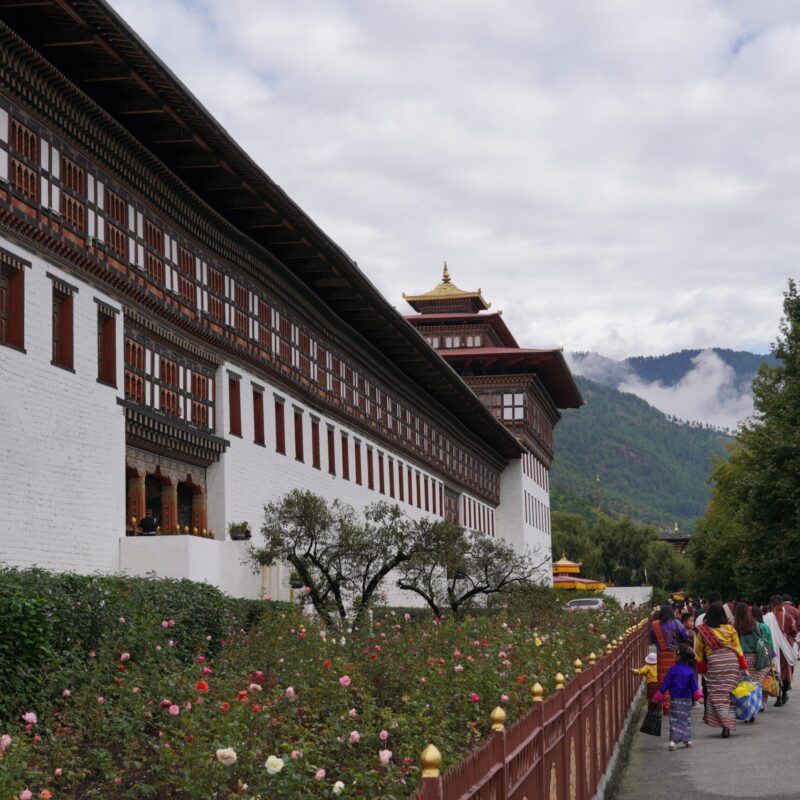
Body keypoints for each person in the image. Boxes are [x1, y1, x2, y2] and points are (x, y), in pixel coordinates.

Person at [695, 601, 747, 737]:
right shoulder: (730, 629)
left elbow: (698, 653)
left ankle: (724, 723)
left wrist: (701, 668)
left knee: (717, 695)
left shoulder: (702, 630)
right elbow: (738, 648)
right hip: (732, 663)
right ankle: (728, 724)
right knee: (729, 694)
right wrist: (743, 666)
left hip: (715, 664)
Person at [653, 644, 703, 751]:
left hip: (675, 700)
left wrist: (657, 697)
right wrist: (699, 697)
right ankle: (688, 740)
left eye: (674, 654)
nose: (673, 656)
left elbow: (664, 685)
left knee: (674, 720)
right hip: (687, 700)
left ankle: (673, 742)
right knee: (686, 718)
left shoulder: (672, 670)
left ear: (678, 657)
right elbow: (694, 686)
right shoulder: (690, 671)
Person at [734, 603, 773, 714]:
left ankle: (745, 708)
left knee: (744, 685)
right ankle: (756, 706)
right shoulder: (758, 625)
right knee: (756, 684)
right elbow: (767, 643)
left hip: (741, 659)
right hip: (758, 658)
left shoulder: (735, 627)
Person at [650, 605, 689, 714]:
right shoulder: (677, 623)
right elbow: (685, 634)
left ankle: (666, 706)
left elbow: (652, 638)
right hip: (675, 656)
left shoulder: (655, 625)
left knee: (663, 682)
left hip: (661, 656)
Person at [764, 594, 797, 707]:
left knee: (775, 671)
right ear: (781, 604)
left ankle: (778, 698)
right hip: (786, 647)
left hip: (774, 648)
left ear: (772, 605)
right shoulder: (788, 617)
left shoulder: (767, 617)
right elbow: (794, 631)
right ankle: (784, 694)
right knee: (786, 671)